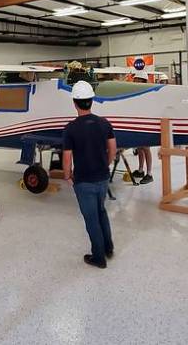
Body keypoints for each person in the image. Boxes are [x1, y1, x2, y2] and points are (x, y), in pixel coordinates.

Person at [62, 81, 116, 269]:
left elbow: (67, 158)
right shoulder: (104, 123)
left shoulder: (70, 128)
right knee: (101, 211)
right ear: (91, 100)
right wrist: (104, 165)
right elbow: (112, 150)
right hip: (102, 178)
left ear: (75, 102)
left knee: (91, 218)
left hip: (83, 181)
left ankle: (98, 257)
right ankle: (109, 248)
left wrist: (67, 175)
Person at [129, 71, 153, 185]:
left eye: (137, 79)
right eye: (135, 79)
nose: (135, 81)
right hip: (138, 122)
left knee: (146, 148)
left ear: (142, 81)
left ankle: (149, 174)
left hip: (145, 123)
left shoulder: (147, 92)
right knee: (139, 147)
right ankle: (140, 170)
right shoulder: (136, 92)